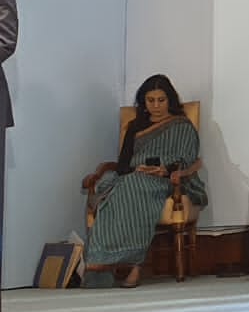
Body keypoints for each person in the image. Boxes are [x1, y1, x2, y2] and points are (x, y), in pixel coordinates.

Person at [83, 74, 206, 288]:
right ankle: (104, 263)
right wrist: (137, 168)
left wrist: (164, 170)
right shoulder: (135, 127)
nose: (156, 106)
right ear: (144, 102)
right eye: (150, 100)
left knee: (130, 187)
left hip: (167, 181)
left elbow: (186, 160)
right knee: (119, 188)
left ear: (170, 100)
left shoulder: (182, 126)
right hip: (134, 177)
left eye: (161, 100)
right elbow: (122, 165)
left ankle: (135, 265)